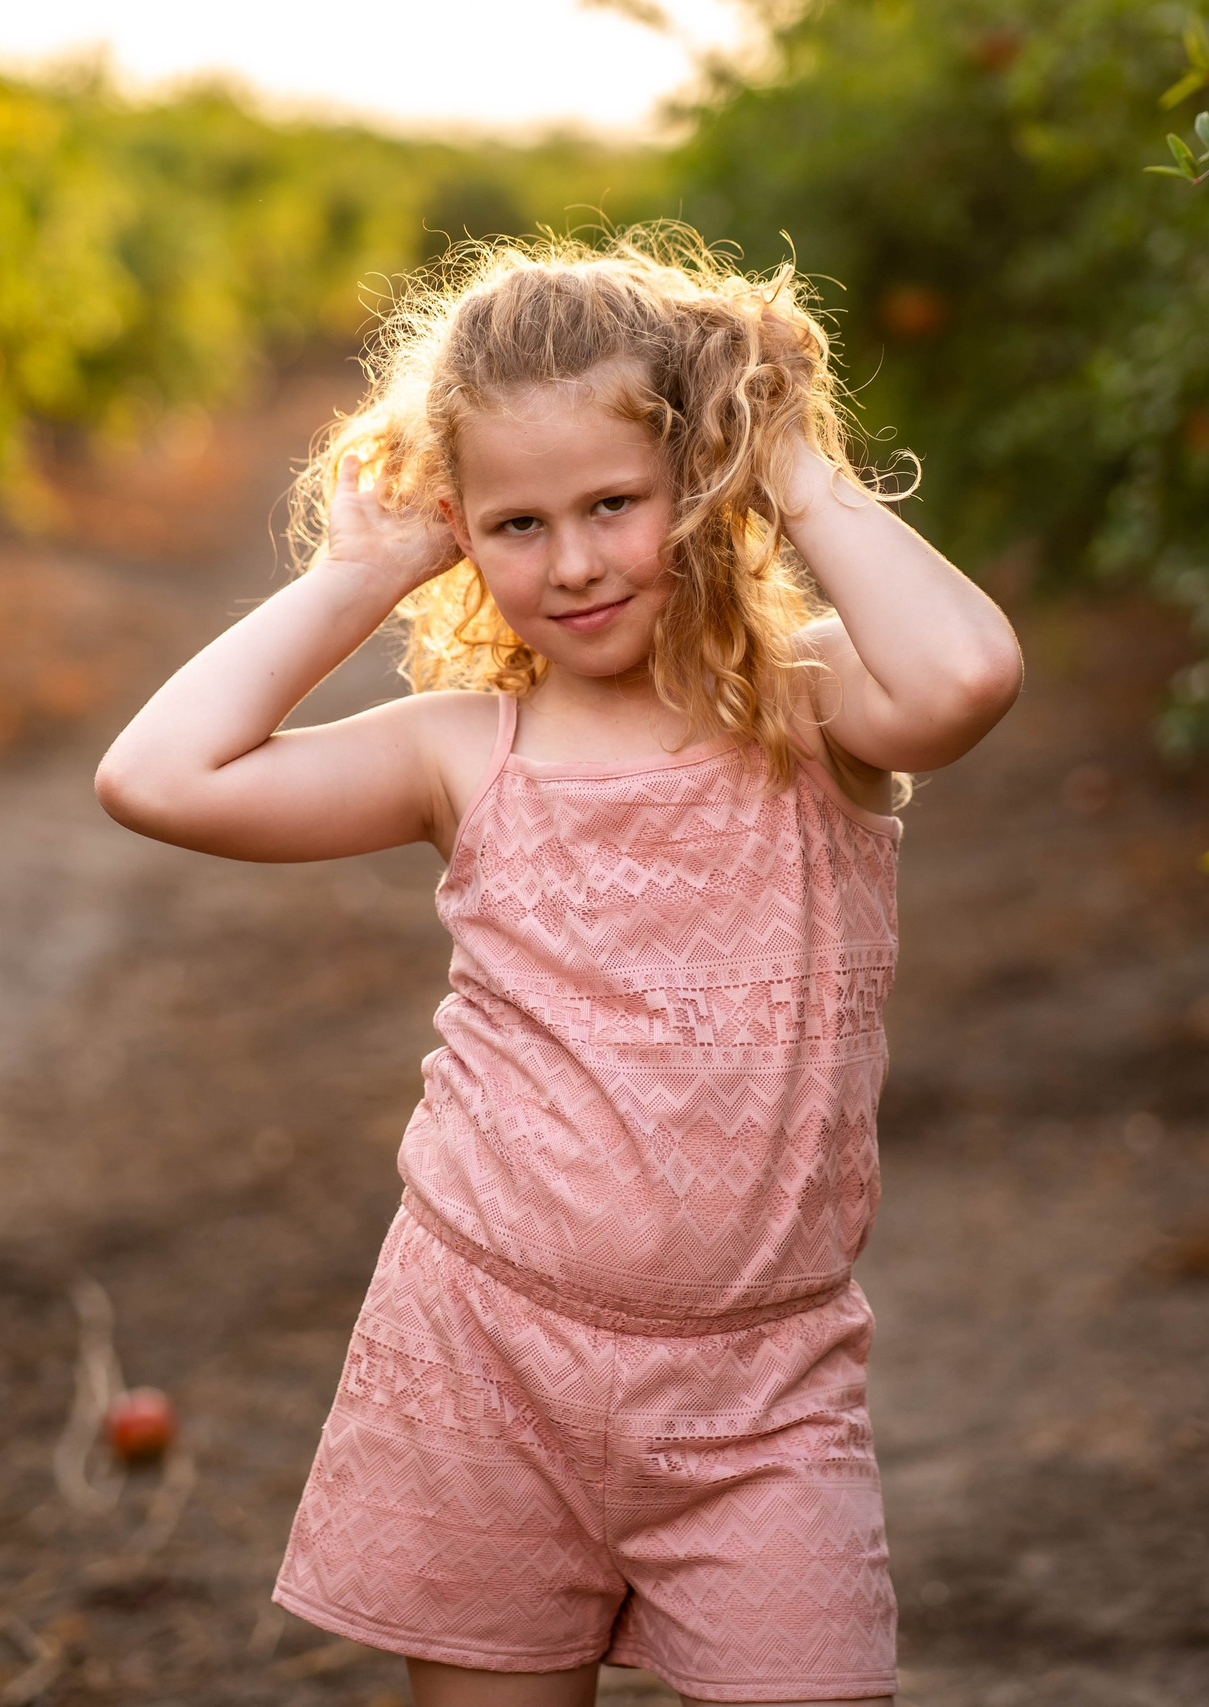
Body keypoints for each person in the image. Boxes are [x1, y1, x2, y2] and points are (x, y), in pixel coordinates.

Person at [94, 228, 1021, 1707]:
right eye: (517, 523)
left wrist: (781, 457)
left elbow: (968, 676)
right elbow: (155, 777)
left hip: (759, 1394)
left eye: (615, 503)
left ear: (696, 486)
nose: (576, 561)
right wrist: (363, 574)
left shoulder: (812, 706)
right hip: (481, 1360)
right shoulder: (467, 754)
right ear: (462, 528)